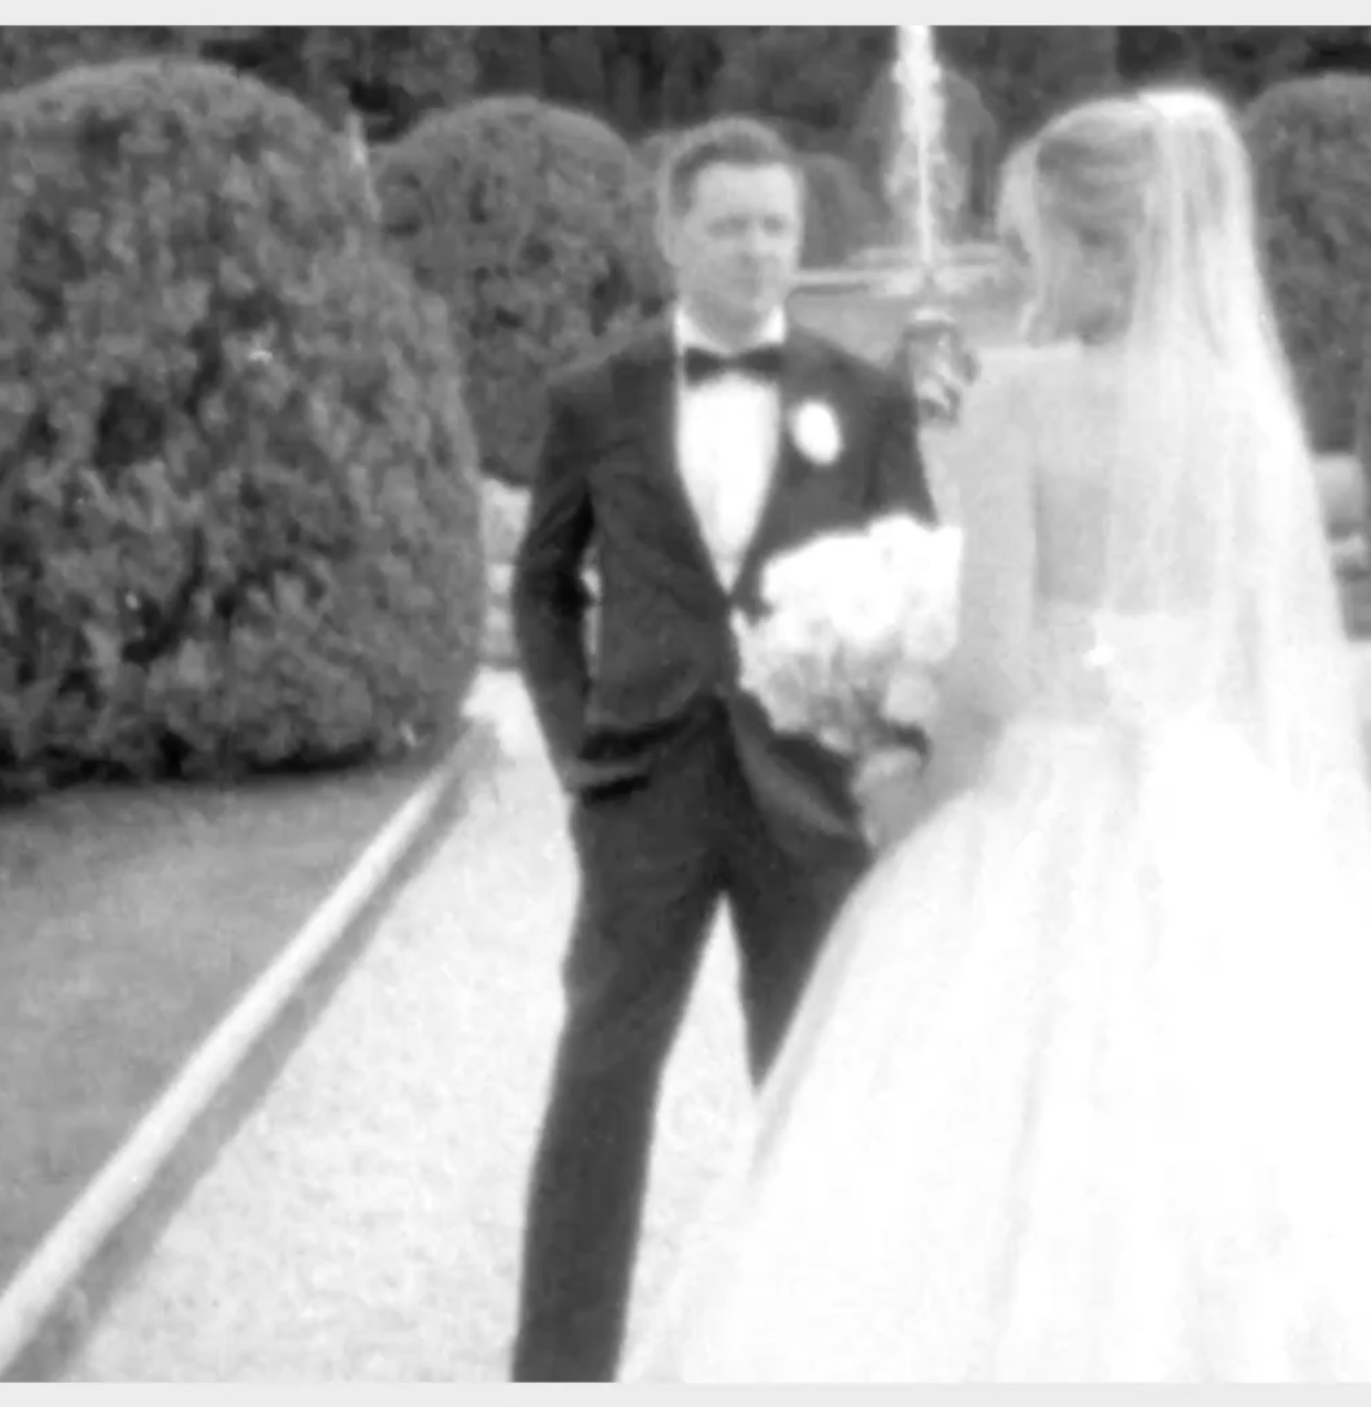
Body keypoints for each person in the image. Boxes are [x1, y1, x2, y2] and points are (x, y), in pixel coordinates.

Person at [619, 89, 1371, 1382]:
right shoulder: (1242, 411)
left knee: (974, 1132)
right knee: (1246, 1138)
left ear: (1112, 251)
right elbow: (1247, 660)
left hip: (1044, 792)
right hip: (1211, 813)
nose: (1020, 273)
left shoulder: (1023, 400)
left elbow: (996, 673)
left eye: (1037, 242)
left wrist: (908, 795)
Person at [504, 116, 937, 1383]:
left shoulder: (865, 397)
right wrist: (579, 749)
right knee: (600, 1077)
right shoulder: (595, 399)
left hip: (808, 798)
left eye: (777, 227)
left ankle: (826, 1355)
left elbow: (917, 591)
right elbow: (541, 590)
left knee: (811, 1083)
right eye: (730, 226)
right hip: (644, 786)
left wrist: (888, 744)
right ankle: (558, 1365)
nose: (757, 250)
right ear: (671, 237)